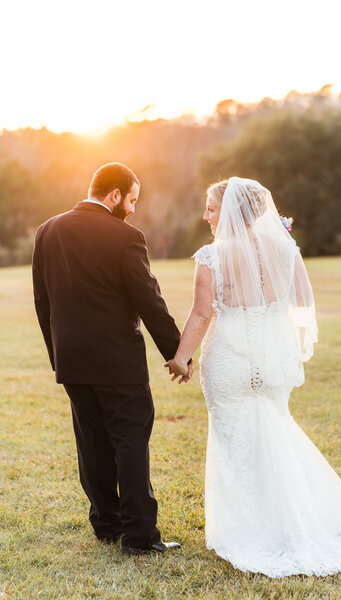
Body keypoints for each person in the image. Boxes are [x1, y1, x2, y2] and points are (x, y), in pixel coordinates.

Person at [164, 176, 341, 577]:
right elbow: (303, 300)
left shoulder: (211, 256)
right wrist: (269, 315)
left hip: (230, 360)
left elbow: (202, 314)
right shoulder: (284, 249)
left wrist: (181, 358)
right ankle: (292, 521)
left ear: (232, 211)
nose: (206, 215)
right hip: (273, 360)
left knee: (236, 442)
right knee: (275, 434)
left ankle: (249, 532)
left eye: (211, 207)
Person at [32, 162, 191, 555]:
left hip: (72, 361)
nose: (133, 209)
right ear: (114, 195)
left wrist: (58, 357)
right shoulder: (126, 237)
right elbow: (148, 301)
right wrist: (177, 353)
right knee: (130, 443)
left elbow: (42, 302)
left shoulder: (47, 231)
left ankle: (107, 526)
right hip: (118, 363)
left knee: (92, 443)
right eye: (132, 199)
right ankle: (139, 537)